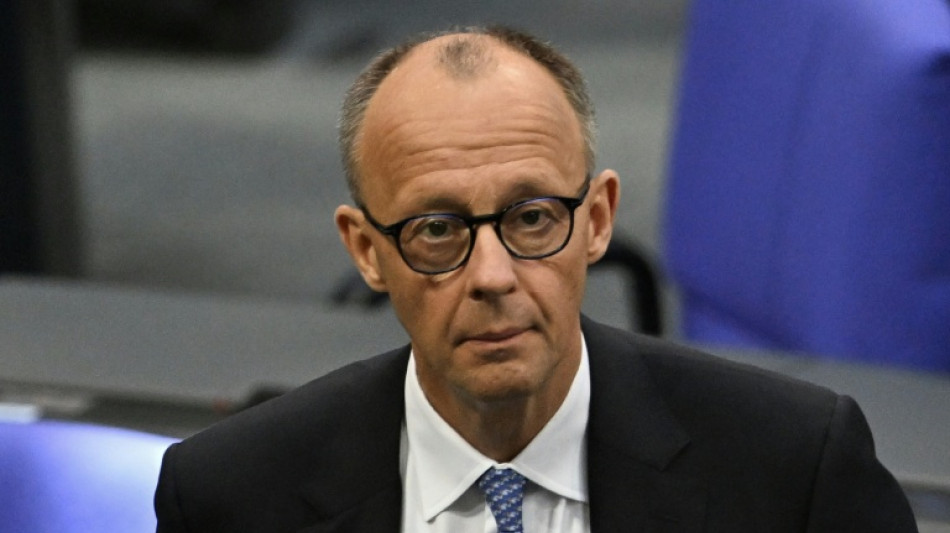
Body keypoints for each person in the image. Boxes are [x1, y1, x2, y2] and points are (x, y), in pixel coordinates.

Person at [153, 26, 918, 532]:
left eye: (531, 218)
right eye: (437, 229)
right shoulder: (230, 495)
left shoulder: (792, 470)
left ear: (597, 218)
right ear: (366, 249)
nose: (492, 276)